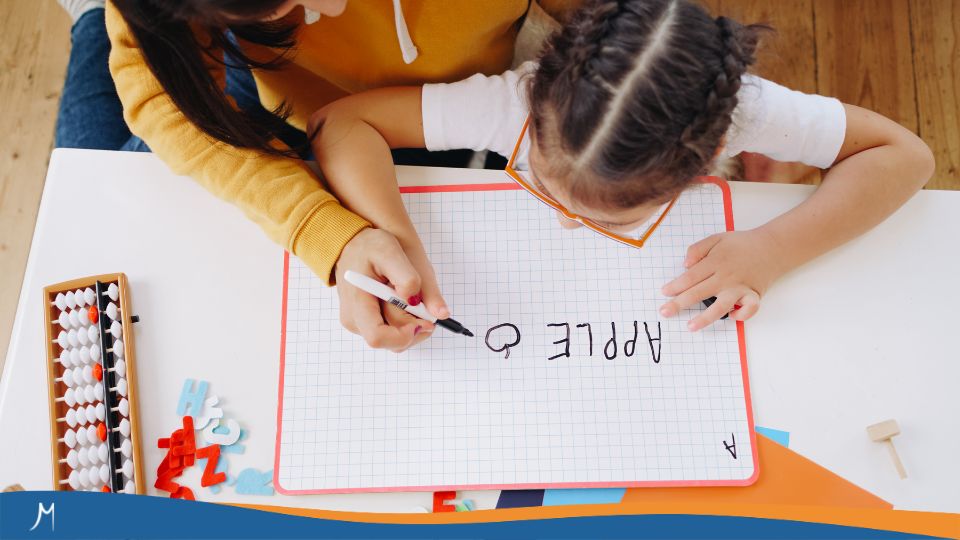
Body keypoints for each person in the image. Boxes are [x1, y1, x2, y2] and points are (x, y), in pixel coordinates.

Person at [306, 0, 935, 331]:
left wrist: (772, 249)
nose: (568, 222)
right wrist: (399, 239)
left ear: (712, 152)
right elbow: (340, 123)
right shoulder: (508, 103)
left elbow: (905, 156)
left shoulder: (747, 111)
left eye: (607, 215)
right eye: (546, 184)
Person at [55, 0, 571, 352]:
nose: (332, 8)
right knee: (88, 195)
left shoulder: (498, 103)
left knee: (86, 176)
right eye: (280, 8)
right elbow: (162, 95)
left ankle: (92, 19)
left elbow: (595, 31)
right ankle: (99, 18)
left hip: (455, 106)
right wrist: (327, 231)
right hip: (283, 103)